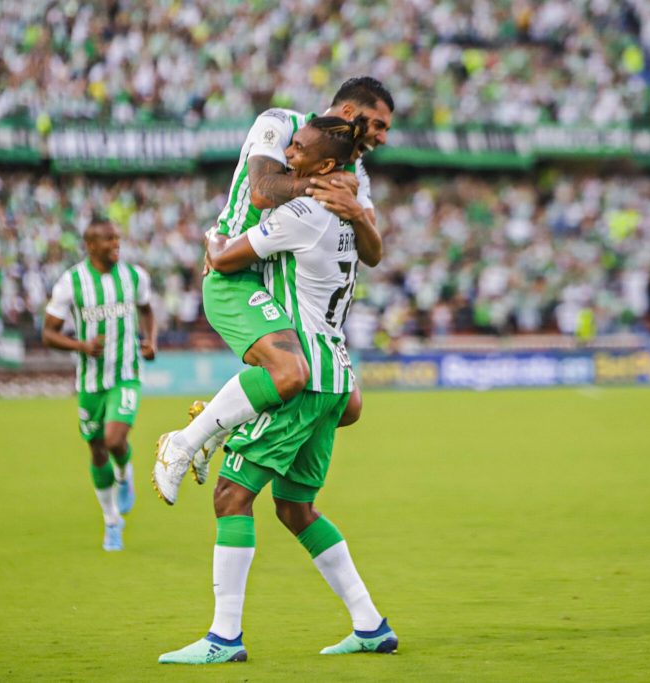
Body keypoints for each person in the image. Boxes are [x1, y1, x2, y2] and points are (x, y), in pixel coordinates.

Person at [158, 117, 396, 664]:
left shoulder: (302, 212)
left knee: (231, 496)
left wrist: (211, 239)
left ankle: (223, 639)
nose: (287, 151)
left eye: (300, 149)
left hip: (304, 375)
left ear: (328, 165)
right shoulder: (346, 215)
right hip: (336, 373)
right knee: (295, 507)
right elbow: (370, 250)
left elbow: (226, 258)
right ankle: (370, 624)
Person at [153, 77, 394, 503]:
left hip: (281, 282)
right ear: (352, 114)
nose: (382, 136)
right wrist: (321, 186)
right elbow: (263, 191)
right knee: (291, 373)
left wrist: (353, 207)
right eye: (378, 124)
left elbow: (370, 247)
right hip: (234, 267)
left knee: (347, 404)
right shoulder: (281, 124)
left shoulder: (354, 170)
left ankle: (219, 423)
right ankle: (185, 442)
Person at [42, 217, 157, 551]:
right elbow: (48, 333)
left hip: (126, 374)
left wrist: (150, 340)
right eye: (108, 239)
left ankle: (125, 475)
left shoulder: (134, 276)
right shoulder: (71, 282)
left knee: (113, 438)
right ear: (90, 245)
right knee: (96, 448)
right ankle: (111, 522)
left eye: (117, 238)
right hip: (90, 383)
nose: (115, 244)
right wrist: (80, 346)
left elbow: (147, 311)